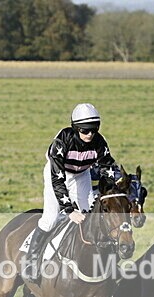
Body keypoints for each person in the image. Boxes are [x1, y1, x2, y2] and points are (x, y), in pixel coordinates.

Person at [23, 103, 116, 283]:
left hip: (82, 175)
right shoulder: (63, 141)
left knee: (93, 217)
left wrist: (113, 188)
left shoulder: (99, 142)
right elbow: (57, 180)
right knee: (50, 219)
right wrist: (68, 209)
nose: (90, 134)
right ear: (75, 128)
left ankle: (107, 262)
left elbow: (108, 168)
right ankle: (32, 262)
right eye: (85, 130)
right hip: (58, 174)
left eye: (94, 130)